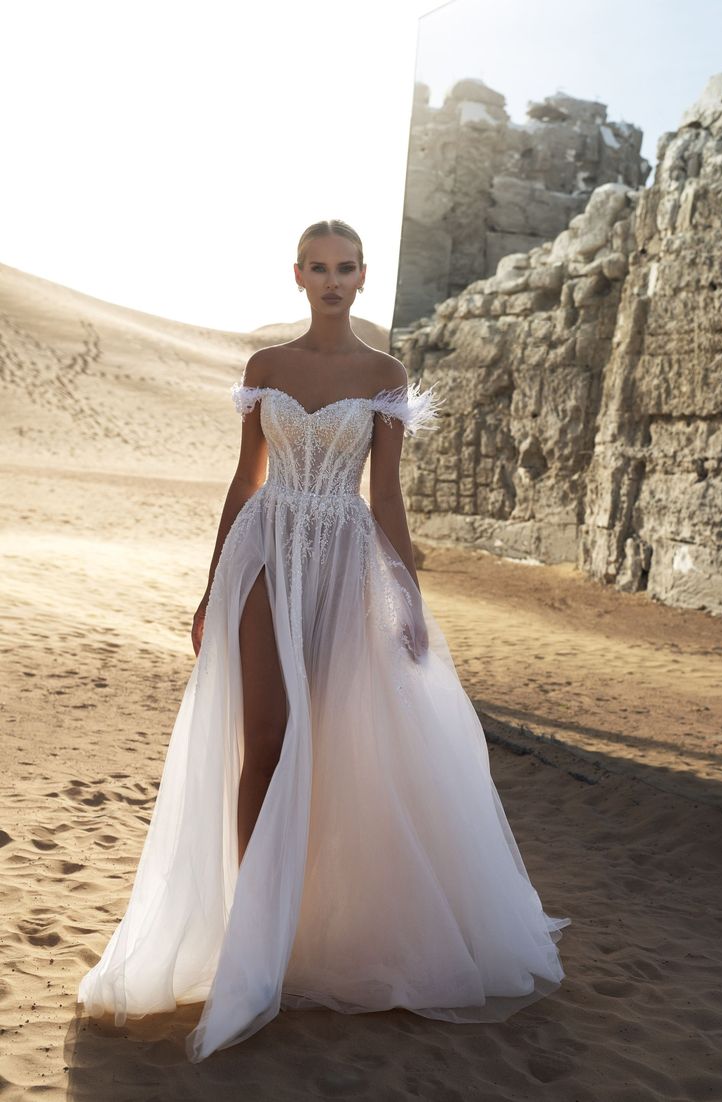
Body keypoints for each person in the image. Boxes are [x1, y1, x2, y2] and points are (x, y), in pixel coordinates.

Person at [77, 219, 570, 1063]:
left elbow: (386, 499)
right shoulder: (264, 368)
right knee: (262, 741)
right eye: (319, 268)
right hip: (263, 553)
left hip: (342, 560)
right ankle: (250, 940)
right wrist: (209, 586)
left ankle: (304, 922)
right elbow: (245, 479)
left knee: (329, 744)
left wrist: (407, 597)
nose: (333, 281)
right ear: (298, 276)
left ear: (363, 278)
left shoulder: (385, 375)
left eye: (346, 269)